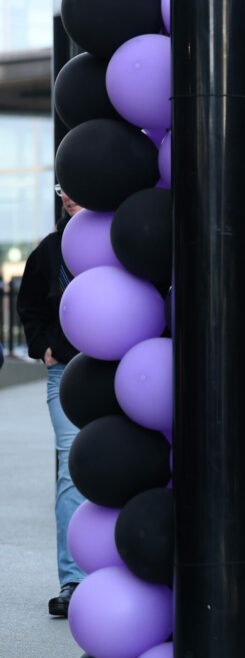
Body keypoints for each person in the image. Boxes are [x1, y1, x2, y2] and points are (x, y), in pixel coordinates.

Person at [16, 184, 86, 617]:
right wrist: (44, 347)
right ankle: (73, 580)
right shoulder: (50, 250)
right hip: (66, 371)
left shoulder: (124, 242)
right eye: (61, 188)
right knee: (71, 464)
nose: (67, 195)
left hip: (127, 370)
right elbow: (29, 307)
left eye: (76, 187)